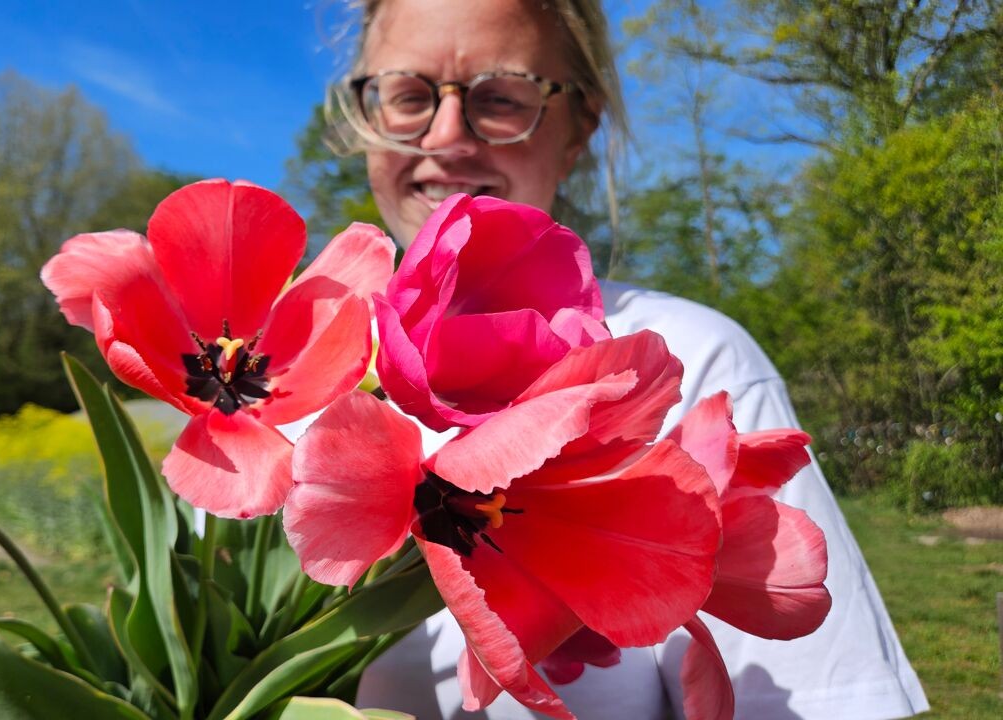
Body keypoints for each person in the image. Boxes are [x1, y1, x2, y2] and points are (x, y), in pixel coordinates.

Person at [318, 0, 932, 717]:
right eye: (409, 95)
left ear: (580, 126)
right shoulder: (294, 364)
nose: (448, 135)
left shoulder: (696, 358)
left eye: (501, 97)